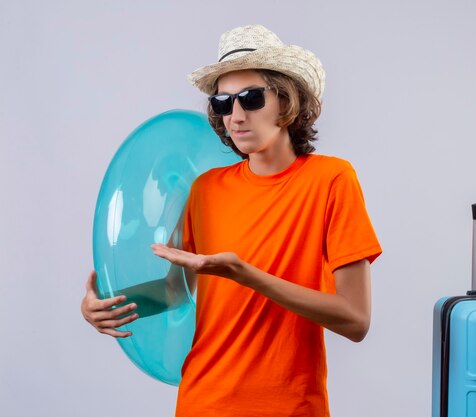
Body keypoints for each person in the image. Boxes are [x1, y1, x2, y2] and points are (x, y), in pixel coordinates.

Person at [81, 24, 382, 417]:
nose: (236, 116)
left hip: (289, 406)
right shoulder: (205, 189)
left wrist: (245, 274)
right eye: (223, 103)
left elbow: (355, 320)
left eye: (251, 98)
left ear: (287, 100)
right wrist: (107, 305)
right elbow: (174, 291)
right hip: (203, 401)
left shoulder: (331, 180)